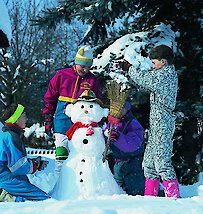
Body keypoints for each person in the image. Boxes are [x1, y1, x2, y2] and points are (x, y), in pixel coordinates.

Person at [118, 44, 180, 198]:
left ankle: (173, 198)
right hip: (156, 125)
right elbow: (146, 82)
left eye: (154, 63)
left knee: (162, 162)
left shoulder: (165, 75)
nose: (153, 66)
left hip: (163, 124)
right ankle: (150, 198)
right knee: (149, 164)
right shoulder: (161, 75)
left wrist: (129, 68)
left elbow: (145, 80)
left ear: (163, 62)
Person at [43, 45, 103, 175]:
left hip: (81, 123)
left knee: (78, 151)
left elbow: (98, 102)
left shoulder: (92, 80)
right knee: (61, 151)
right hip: (62, 120)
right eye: (83, 65)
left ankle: (77, 181)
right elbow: (50, 98)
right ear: (76, 62)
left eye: (88, 66)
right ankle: (60, 180)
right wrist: (48, 117)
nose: (85, 69)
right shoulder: (62, 75)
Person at [0, 103, 50, 202]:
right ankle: (5, 195)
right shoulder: (11, 137)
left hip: (8, 176)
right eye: (24, 116)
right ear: (16, 119)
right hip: (6, 179)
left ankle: (9, 196)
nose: (27, 119)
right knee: (44, 199)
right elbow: (18, 167)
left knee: (31, 197)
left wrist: (33, 162)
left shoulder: (8, 135)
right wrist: (36, 164)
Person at [104, 101, 145, 195]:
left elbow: (134, 144)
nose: (117, 110)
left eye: (121, 108)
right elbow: (105, 140)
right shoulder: (112, 122)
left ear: (126, 109)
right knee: (116, 191)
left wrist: (118, 137)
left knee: (136, 192)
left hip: (132, 163)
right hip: (117, 163)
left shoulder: (132, 123)